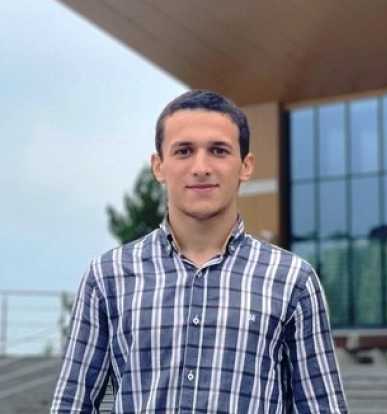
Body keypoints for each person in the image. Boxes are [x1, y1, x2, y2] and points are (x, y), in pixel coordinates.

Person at [51, 90, 348, 413]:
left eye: (219, 150)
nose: (201, 167)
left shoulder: (292, 280)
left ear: (245, 166)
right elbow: (71, 405)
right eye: (184, 151)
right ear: (158, 166)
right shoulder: (108, 277)